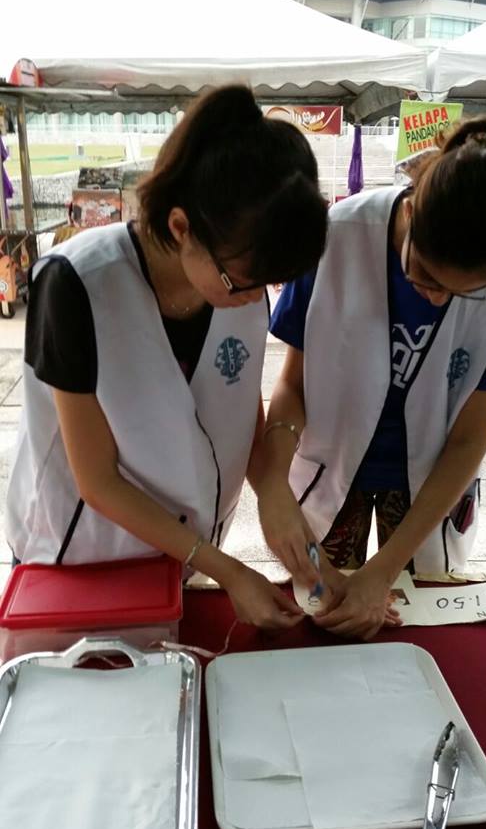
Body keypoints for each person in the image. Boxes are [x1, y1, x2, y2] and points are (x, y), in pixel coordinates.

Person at [5, 84, 328, 631]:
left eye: (268, 283)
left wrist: (273, 490)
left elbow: (235, 409)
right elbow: (97, 480)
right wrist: (228, 570)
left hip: (179, 556)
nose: (255, 298)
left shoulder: (238, 282)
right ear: (181, 228)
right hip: (81, 559)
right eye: (243, 281)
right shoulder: (77, 285)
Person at [259, 115, 486, 640]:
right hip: (329, 467)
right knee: (320, 612)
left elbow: (469, 439)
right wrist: (271, 482)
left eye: (464, 292)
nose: (435, 297)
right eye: (424, 275)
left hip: (430, 484)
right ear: (410, 210)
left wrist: (382, 571)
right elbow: (293, 385)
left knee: (410, 623)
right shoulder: (336, 236)